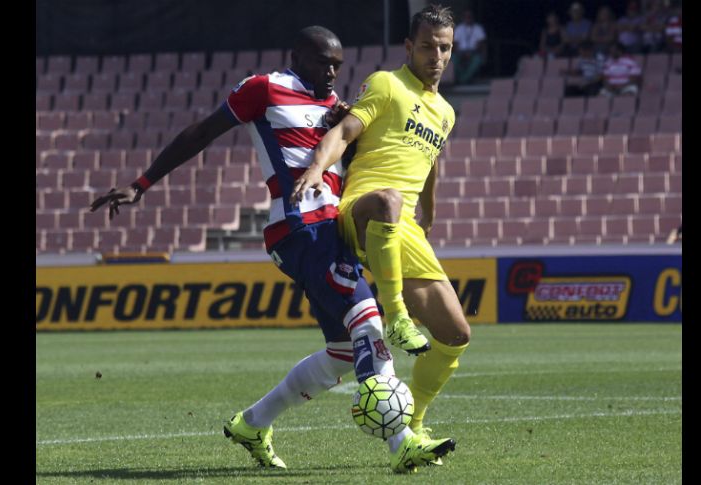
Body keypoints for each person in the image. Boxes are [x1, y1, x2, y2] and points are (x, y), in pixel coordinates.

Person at [89, 25, 454, 473]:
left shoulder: (334, 108)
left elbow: (352, 157)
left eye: (338, 66)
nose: (332, 73)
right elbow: (202, 132)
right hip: (301, 227)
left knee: (343, 351)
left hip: (331, 230)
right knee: (368, 321)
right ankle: (401, 443)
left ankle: (253, 423)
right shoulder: (264, 89)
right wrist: (142, 184)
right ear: (296, 57)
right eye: (323, 63)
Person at [291, 4, 471, 437]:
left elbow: (430, 160)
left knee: (455, 334)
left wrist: (430, 209)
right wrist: (316, 168)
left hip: (403, 225)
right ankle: (397, 317)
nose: (436, 56)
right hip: (363, 208)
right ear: (409, 47)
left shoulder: (446, 112)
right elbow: (345, 132)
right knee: (389, 199)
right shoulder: (386, 84)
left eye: (444, 48)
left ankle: (416, 424)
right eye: (427, 46)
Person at [451, 9, 486, 84]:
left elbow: (481, 44)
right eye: (466, 17)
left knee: (477, 60)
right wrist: (461, 53)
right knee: (453, 58)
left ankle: (463, 80)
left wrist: (471, 53)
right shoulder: (459, 28)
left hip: (474, 52)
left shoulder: (478, 28)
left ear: (473, 18)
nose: (468, 18)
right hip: (461, 52)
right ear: (463, 18)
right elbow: (456, 44)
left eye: (469, 17)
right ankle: (463, 78)